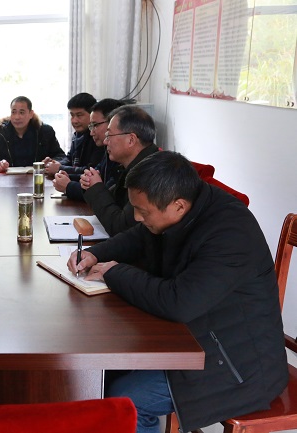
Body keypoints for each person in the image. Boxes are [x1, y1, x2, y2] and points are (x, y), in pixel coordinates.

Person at [67, 151, 288, 433]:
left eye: (143, 211)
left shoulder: (230, 233)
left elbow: (178, 302)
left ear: (178, 206)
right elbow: (140, 236)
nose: (136, 217)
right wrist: (96, 254)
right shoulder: (186, 205)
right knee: (100, 372)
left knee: (125, 399)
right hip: (197, 337)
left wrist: (114, 272)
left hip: (238, 364)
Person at [62, 105, 158, 236]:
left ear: (131, 140)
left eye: (109, 135)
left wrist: (96, 188)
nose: (106, 141)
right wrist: (91, 186)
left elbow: (120, 228)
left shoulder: (150, 173)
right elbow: (111, 199)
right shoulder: (132, 166)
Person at [53, 98, 125, 201]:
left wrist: (68, 186)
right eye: (72, 115)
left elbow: (106, 195)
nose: (91, 132)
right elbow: (92, 175)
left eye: (95, 125)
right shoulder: (108, 150)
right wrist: (66, 176)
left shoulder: (122, 157)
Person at [0, 96, 65, 172]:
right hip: (9, 180)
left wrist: (52, 163)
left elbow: (62, 157)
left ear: (31, 114)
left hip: (37, 178)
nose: (17, 117)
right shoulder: (2, 132)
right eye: (13, 112)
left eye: (21, 112)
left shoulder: (45, 131)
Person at [43, 92, 101, 176]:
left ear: (92, 115)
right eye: (72, 115)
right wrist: (54, 163)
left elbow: (92, 170)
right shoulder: (77, 135)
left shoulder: (98, 137)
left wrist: (60, 168)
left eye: (79, 115)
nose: (74, 121)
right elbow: (70, 160)